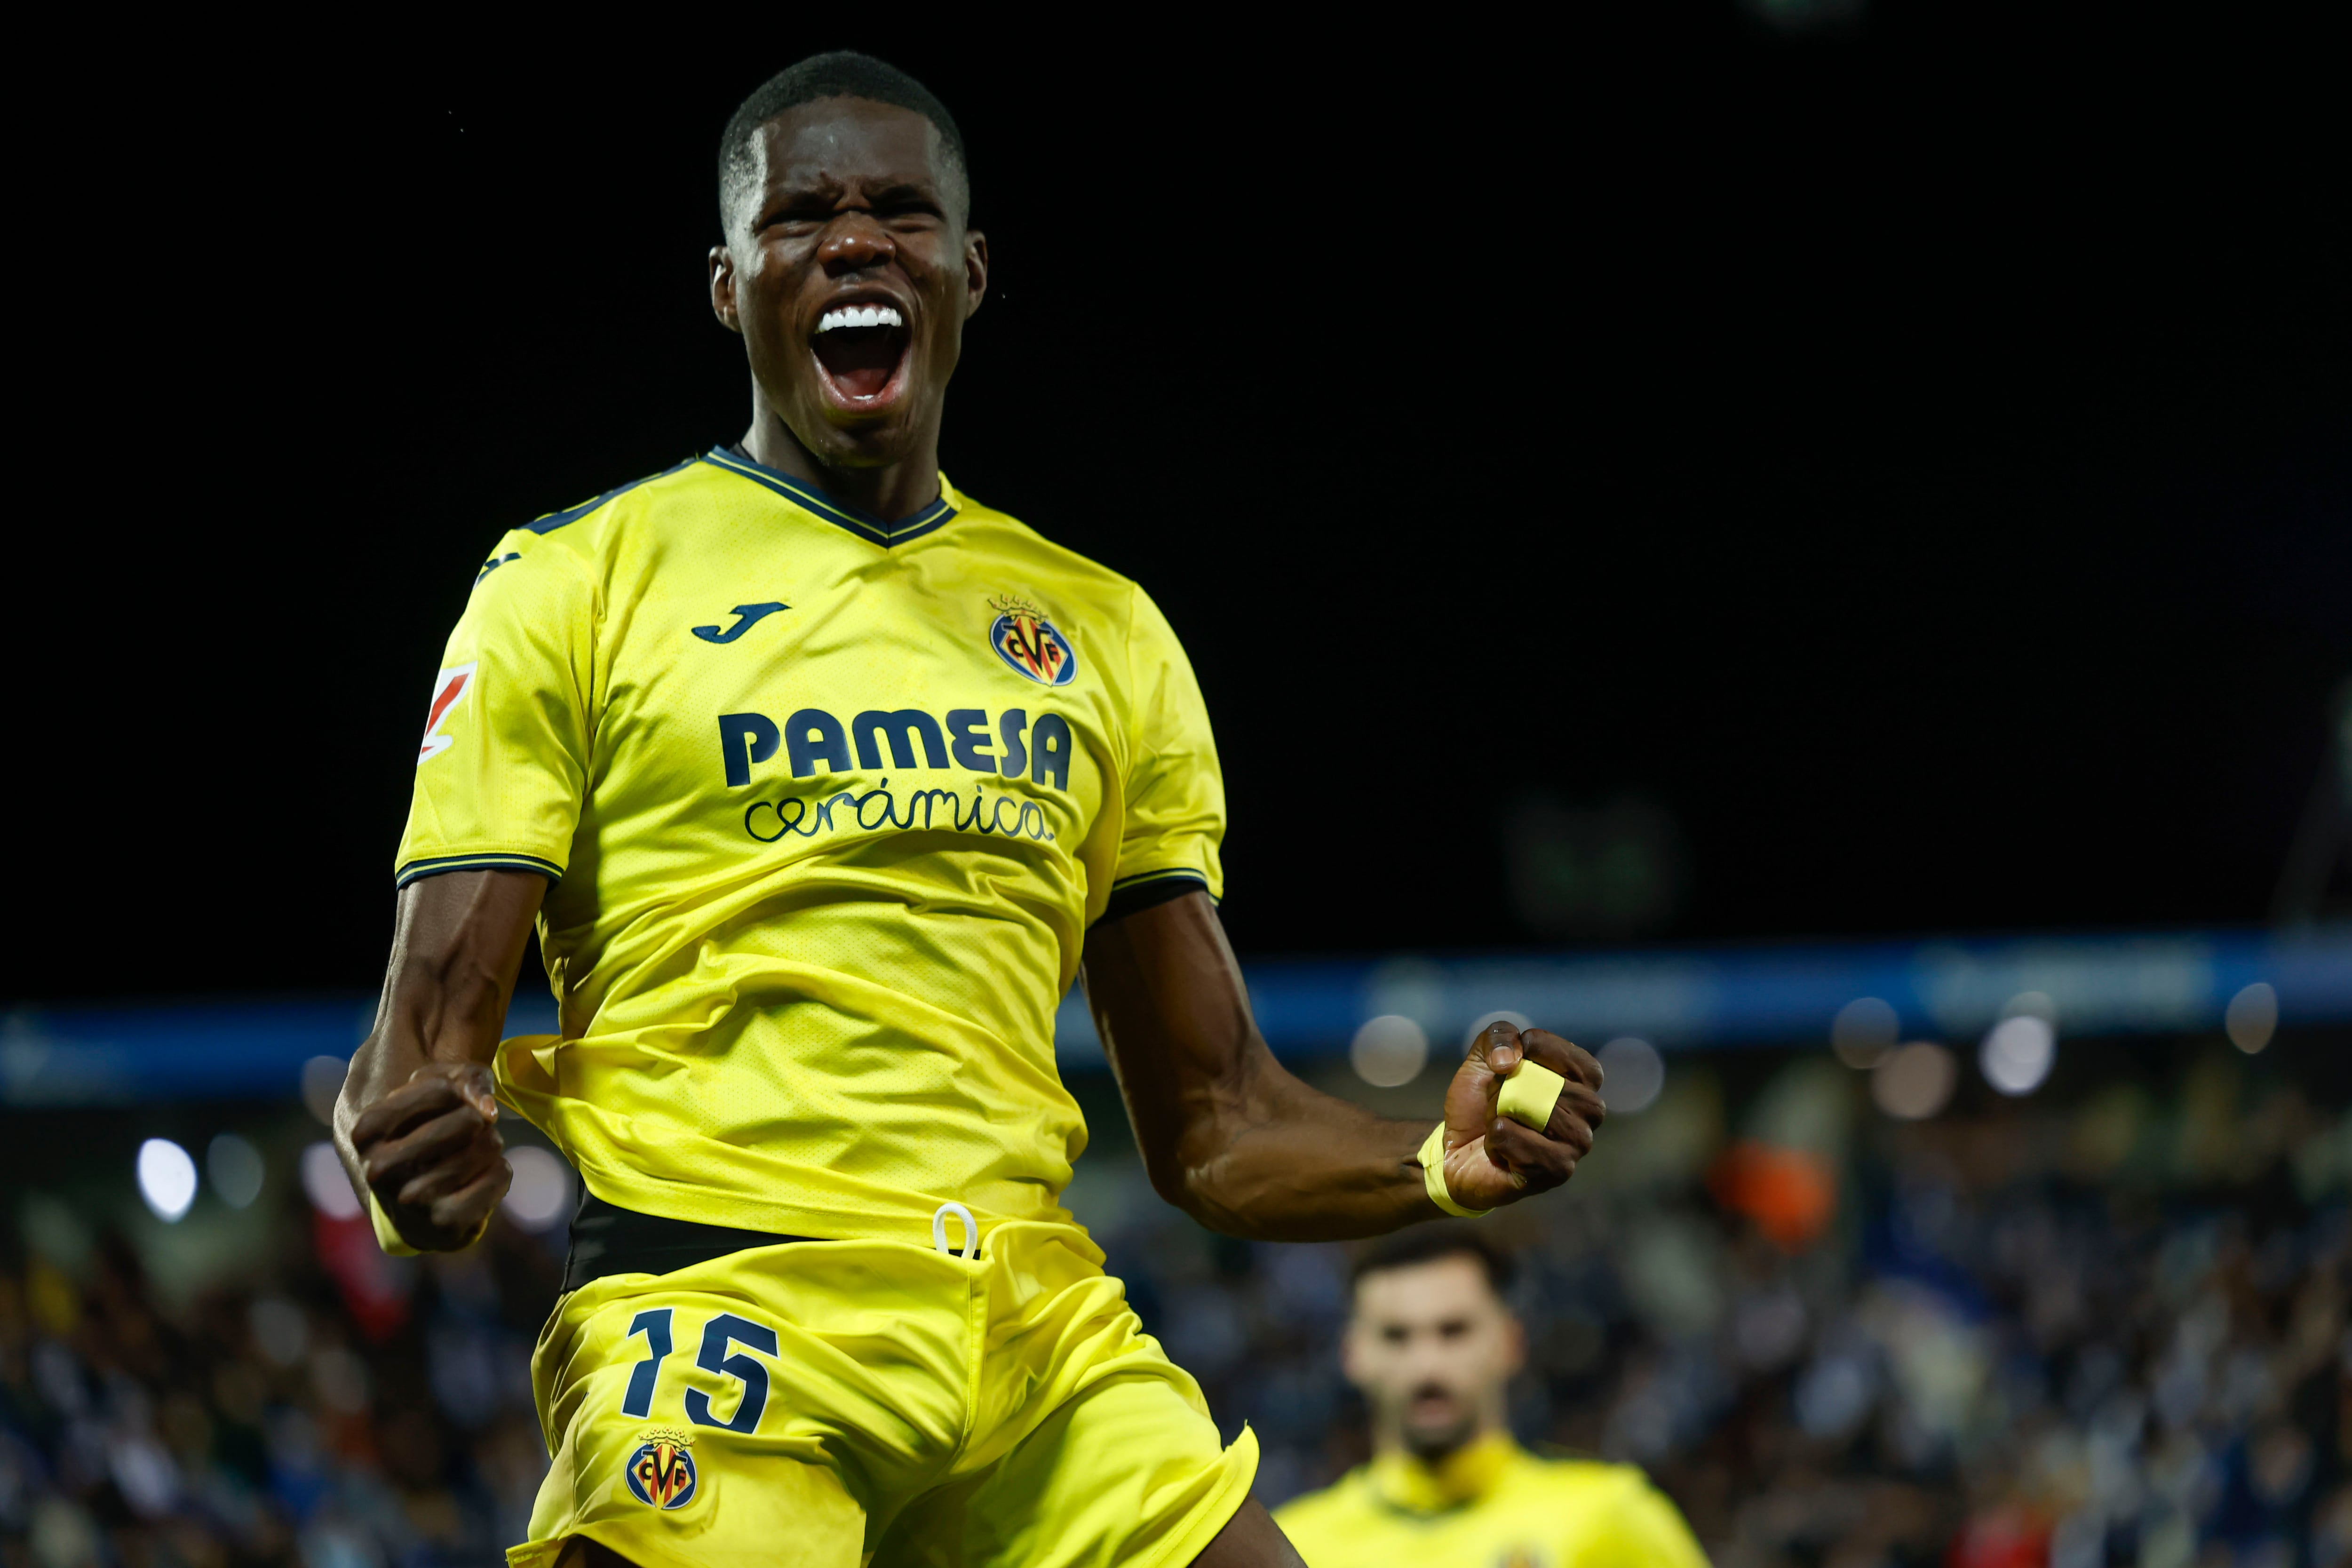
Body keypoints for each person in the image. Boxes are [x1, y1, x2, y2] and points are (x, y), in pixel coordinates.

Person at [332, 50, 1606, 1568]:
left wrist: (1426, 1161)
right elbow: (417, 1059)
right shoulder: (569, 586)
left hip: (1027, 1327)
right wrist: (422, 1175)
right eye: (802, 217)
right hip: (725, 1301)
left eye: (899, 213)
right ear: (730, 287)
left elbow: (1213, 1120)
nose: (856, 242)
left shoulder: (1104, 629)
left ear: (971, 271)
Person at [1275, 1228, 1707, 1567]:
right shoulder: (1293, 1547)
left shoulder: (1609, 1515)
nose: (1427, 1365)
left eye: (1454, 1330)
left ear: (1510, 1341)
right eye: (1396, 1336)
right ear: (1352, 1354)